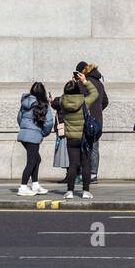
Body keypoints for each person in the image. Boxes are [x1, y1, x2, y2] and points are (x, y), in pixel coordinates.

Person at [52, 72, 99, 200]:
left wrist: (70, 84)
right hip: (84, 138)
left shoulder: (62, 101)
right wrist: (84, 81)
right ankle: (85, 191)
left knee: (73, 165)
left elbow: (55, 102)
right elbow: (95, 93)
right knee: (86, 164)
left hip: (71, 139)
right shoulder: (84, 101)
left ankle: (70, 191)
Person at [73, 61, 108, 188]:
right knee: (94, 147)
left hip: (85, 120)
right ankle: (94, 174)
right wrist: (97, 110)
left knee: (83, 147)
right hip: (97, 120)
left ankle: (83, 174)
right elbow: (105, 101)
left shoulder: (83, 84)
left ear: (81, 72)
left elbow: (75, 100)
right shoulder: (99, 83)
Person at [16, 81, 54, 196]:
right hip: (34, 136)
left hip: (24, 135)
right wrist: (42, 133)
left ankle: (35, 185)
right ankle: (23, 187)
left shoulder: (25, 102)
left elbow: (19, 118)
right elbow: (48, 123)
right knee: (31, 161)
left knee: (36, 159)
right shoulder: (44, 105)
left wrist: (24, 129)